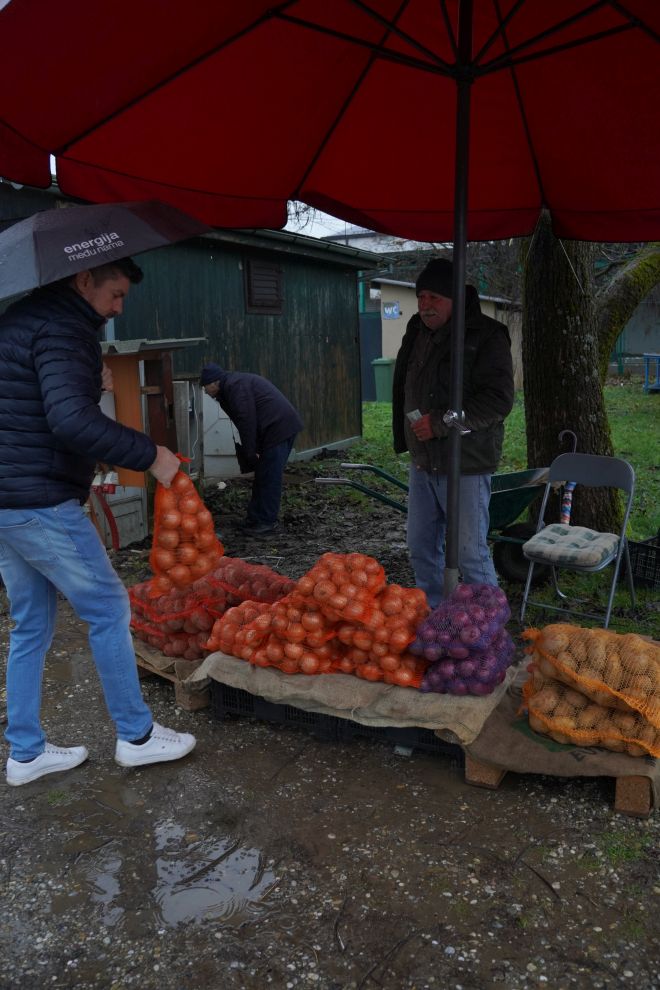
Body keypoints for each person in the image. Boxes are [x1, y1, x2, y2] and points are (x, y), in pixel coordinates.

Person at [0, 258, 196, 786]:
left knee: (32, 625)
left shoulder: (20, 320)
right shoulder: (64, 327)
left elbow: (28, 405)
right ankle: (137, 737)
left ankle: (25, 753)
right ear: (83, 280)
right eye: (114, 294)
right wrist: (151, 454)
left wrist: (89, 381)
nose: (117, 308)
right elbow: (69, 420)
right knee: (109, 608)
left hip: (6, 500)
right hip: (40, 500)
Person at [392, 258, 514, 608]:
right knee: (421, 547)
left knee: (469, 554)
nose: (426, 304)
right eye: (422, 296)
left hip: (466, 463)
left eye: (435, 297)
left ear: (456, 299)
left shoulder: (487, 335)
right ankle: (437, 620)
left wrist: (443, 422)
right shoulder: (417, 330)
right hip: (423, 461)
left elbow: (498, 401)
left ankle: (489, 628)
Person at [200, 364, 302, 535]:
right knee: (263, 474)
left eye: (205, 386)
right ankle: (256, 518)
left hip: (278, 429)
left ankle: (266, 522)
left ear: (214, 382)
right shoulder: (232, 385)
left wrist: (250, 450)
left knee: (270, 476)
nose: (205, 391)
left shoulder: (234, 387)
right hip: (275, 427)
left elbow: (246, 420)